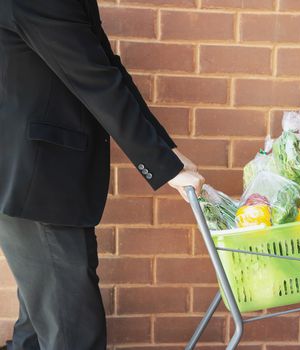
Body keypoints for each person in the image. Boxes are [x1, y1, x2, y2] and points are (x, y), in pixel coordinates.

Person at [0, 0, 205, 348]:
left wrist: (166, 152)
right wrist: (162, 164)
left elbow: (108, 70)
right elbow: (94, 79)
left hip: (42, 179)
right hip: (38, 180)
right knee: (72, 333)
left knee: (42, 324)